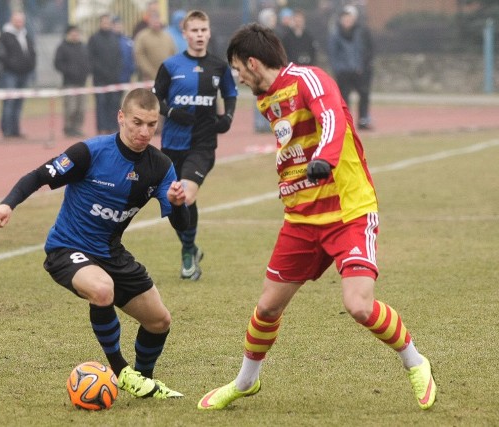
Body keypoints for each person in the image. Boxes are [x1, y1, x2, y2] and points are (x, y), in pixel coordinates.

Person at [197, 23, 436, 411]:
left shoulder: (309, 78)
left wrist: (323, 157)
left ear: (252, 63)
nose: (237, 77)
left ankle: (415, 360)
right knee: (268, 307)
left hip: (348, 211)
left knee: (359, 305)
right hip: (302, 219)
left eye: (238, 69)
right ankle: (245, 382)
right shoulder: (266, 98)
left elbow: (331, 118)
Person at [0, 88, 188, 400]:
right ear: (120, 117)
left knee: (160, 321)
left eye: (151, 124)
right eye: (137, 122)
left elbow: (182, 226)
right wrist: (6, 205)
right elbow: (38, 176)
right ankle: (120, 371)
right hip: (67, 249)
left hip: (111, 252)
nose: (144, 132)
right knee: (102, 289)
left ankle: (143, 381)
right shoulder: (89, 153)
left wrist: (178, 203)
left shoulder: (160, 166)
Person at [152, 10, 237, 281]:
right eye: (194, 30)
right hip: (172, 146)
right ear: (185, 33)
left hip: (203, 145)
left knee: (186, 195)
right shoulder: (170, 66)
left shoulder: (218, 66)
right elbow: (156, 100)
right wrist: (173, 113)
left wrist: (228, 118)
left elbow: (231, 93)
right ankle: (190, 247)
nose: (199, 35)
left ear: (209, 33)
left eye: (203, 30)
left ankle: (187, 254)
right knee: (173, 202)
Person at [327, 5, 374, 130]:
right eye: (345, 18)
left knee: (363, 94)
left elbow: (363, 51)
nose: (347, 21)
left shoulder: (360, 33)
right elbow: (333, 54)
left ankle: (363, 120)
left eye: (350, 18)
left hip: (358, 70)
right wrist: (338, 69)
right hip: (343, 72)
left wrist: (361, 66)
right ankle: (345, 121)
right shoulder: (335, 34)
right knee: (343, 98)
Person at [0, 11, 36, 138]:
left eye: (21, 20)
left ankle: (15, 129)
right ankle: (6, 129)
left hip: (24, 73)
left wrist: (31, 65)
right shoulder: (5, 36)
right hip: (10, 74)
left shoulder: (26, 35)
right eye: (17, 20)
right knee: (9, 102)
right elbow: (3, 55)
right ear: (12, 20)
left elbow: (32, 52)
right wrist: (12, 65)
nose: (20, 23)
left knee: (19, 103)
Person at [87, 14, 122, 135]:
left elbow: (119, 57)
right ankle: (102, 128)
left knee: (114, 103)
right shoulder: (94, 39)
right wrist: (101, 72)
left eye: (108, 22)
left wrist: (115, 72)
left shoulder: (114, 38)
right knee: (101, 104)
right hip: (100, 79)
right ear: (100, 23)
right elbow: (91, 59)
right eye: (104, 22)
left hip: (114, 78)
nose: (106, 24)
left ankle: (113, 127)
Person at [53, 24, 90, 138]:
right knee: (71, 108)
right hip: (69, 83)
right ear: (68, 34)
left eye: (77, 33)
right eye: (72, 33)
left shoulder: (83, 47)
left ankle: (77, 128)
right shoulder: (62, 47)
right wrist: (68, 71)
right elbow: (57, 63)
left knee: (81, 108)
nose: (75, 35)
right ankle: (68, 128)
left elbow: (89, 61)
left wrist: (87, 70)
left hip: (82, 83)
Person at [134, 11, 175, 82]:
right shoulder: (142, 36)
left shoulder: (167, 36)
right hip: (148, 78)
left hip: (166, 76)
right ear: (149, 21)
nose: (156, 23)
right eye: (153, 20)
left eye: (157, 20)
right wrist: (150, 72)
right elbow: (139, 55)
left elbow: (173, 54)